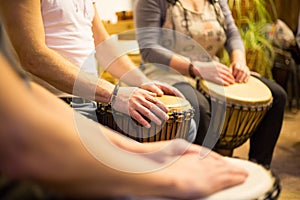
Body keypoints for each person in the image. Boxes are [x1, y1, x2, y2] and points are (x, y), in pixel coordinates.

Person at [0, 21, 248, 199]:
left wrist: (139, 150)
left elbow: (103, 45)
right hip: (62, 102)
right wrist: (163, 177)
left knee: (186, 125)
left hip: (84, 101)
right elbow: (19, 140)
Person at [134, 0, 287, 168]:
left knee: (277, 95)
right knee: (199, 107)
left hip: (212, 70)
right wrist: (194, 68)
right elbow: (149, 49)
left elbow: (232, 34)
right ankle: (203, 173)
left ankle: (259, 167)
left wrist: (239, 61)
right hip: (167, 73)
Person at [0, 0, 189, 131]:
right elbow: (33, 57)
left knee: (184, 127)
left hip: (92, 99)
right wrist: (114, 94)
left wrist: (143, 81)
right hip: (54, 103)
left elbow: (102, 45)